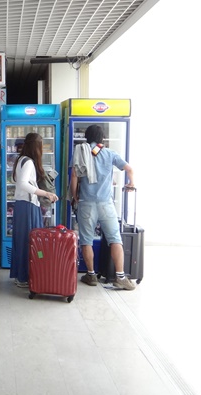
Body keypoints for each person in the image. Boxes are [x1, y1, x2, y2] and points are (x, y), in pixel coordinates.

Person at [70, 124, 135, 290]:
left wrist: (75, 196)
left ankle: (91, 274)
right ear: (102, 138)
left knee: (86, 240)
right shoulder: (109, 153)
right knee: (114, 239)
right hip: (106, 203)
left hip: (86, 203)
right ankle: (120, 276)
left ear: (86, 137)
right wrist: (131, 182)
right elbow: (129, 168)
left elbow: (75, 177)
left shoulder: (81, 152)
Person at [10, 133, 58, 288]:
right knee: (29, 241)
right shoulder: (29, 162)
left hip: (22, 205)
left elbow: (17, 181)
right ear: (37, 146)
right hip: (28, 206)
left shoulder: (21, 160)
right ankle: (25, 277)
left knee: (22, 241)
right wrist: (46, 193)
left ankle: (20, 275)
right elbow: (24, 183)